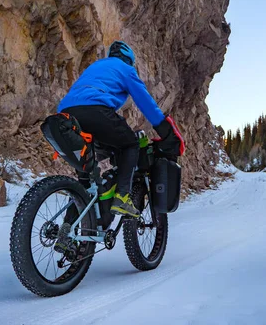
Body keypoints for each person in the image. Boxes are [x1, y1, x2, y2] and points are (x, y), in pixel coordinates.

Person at [57, 41, 185, 218]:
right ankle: (122, 197)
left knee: (84, 184)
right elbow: (145, 102)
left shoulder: (96, 67)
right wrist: (166, 131)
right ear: (129, 60)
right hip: (95, 111)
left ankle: (66, 234)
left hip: (65, 117)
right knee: (130, 145)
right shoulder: (125, 69)